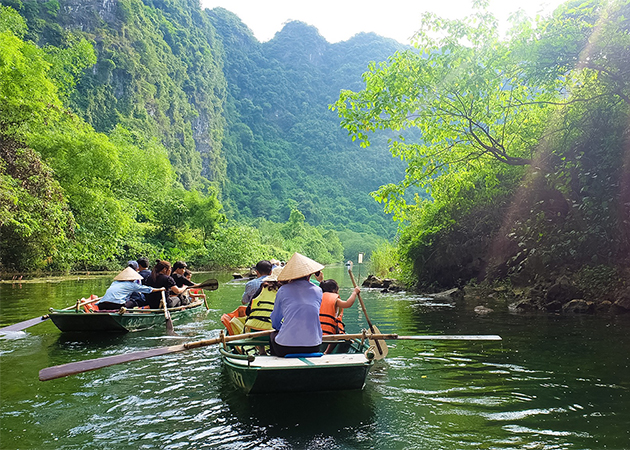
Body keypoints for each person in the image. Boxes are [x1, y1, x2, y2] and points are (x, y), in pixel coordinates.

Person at [269, 252, 325, 357]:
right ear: (309, 275)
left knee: (273, 335)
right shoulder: (318, 290)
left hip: (285, 348)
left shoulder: (283, 290)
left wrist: (281, 328)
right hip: (314, 345)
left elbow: (275, 320)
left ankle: (274, 365)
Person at [97, 267, 164, 310]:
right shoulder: (132, 285)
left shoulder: (114, 283)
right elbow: (147, 289)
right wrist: (160, 289)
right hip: (116, 305)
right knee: (134, 302)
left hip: (101, 305)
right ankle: (130, 312)